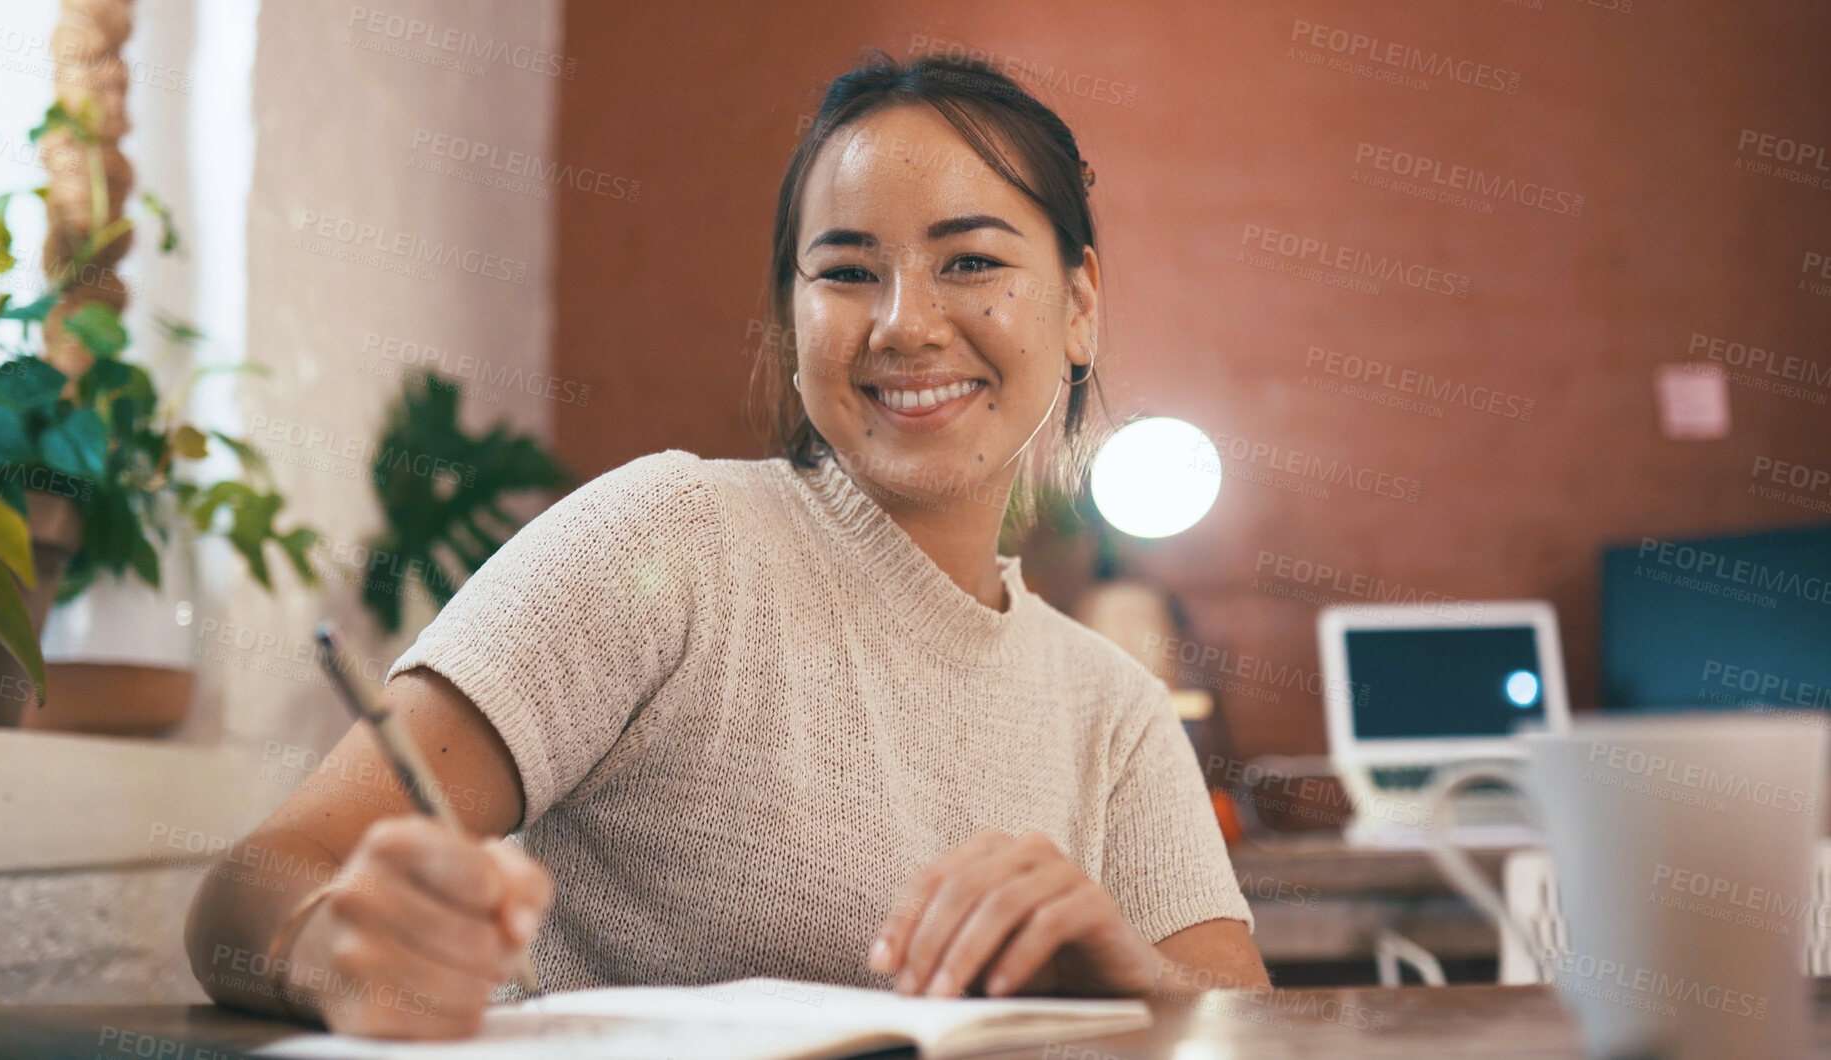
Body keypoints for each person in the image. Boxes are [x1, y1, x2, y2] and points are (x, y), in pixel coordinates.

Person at [183, 49, 1267, 1041]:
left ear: (1079, 307)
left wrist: (1129, 976)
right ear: (793, 322)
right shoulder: (668, 541)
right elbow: (252, 886)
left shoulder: (1117, 712)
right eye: (846, 272)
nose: (903, 323)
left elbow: (1248, 1024)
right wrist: (339, 948)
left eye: (971, 261)